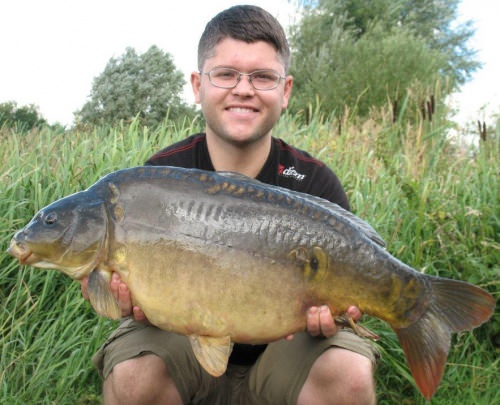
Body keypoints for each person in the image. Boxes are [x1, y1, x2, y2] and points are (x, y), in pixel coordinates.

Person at [82, 5, 378, 404]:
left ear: (285, 90)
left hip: (283, 359)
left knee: (349, 374)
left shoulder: (314, 182)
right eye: (225, 74)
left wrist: (335, 315)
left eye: (262, 77)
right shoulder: (156, 180)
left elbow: (343, 300)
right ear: (197, 85)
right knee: (133, 374)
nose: (243, 89)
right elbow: (129, 302)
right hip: (184, 351)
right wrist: (122, 298)